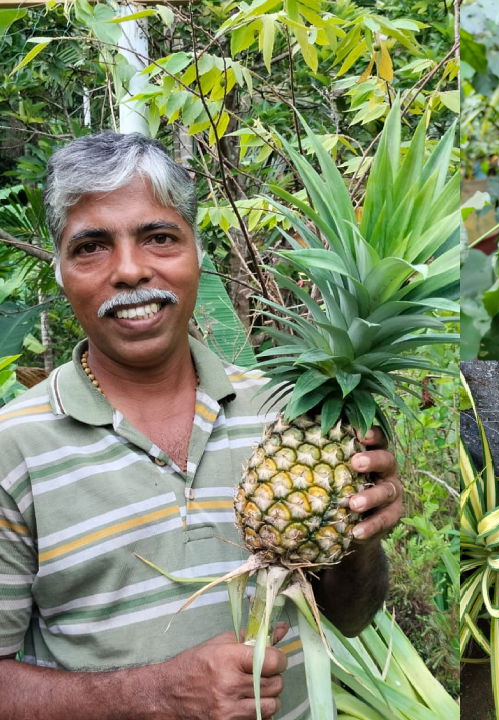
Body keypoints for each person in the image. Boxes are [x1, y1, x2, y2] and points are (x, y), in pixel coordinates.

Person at [0, 132, 406, 719]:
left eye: (159, 237)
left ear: (195, 253)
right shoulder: (13, 447)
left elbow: (350, 614)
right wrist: (155, 697)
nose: (131, 270)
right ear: (61, 271)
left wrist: (358, 542)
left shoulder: (287, 411)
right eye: (91, 247)